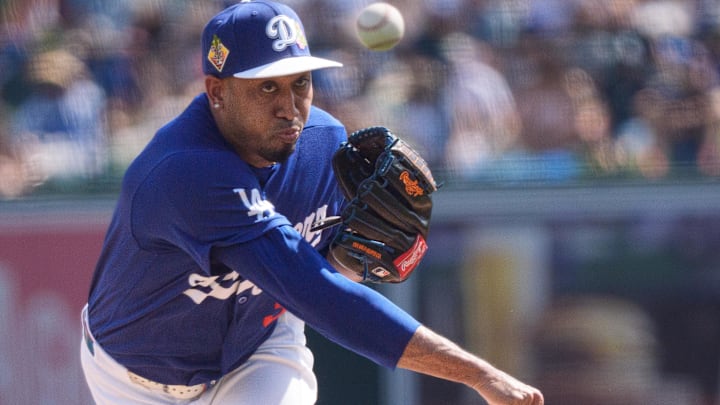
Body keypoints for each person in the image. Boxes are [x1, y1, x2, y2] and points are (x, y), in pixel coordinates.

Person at [79, 1, 544, 404]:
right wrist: (478, 375)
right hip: (136, 381)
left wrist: (340, 257)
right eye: (267, 87)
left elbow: (320, 268)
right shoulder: (187, 172)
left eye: (300, 82)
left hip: (256, 352)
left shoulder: (324, 144)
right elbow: (317, 293)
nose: (290, 106)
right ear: (217, 91)